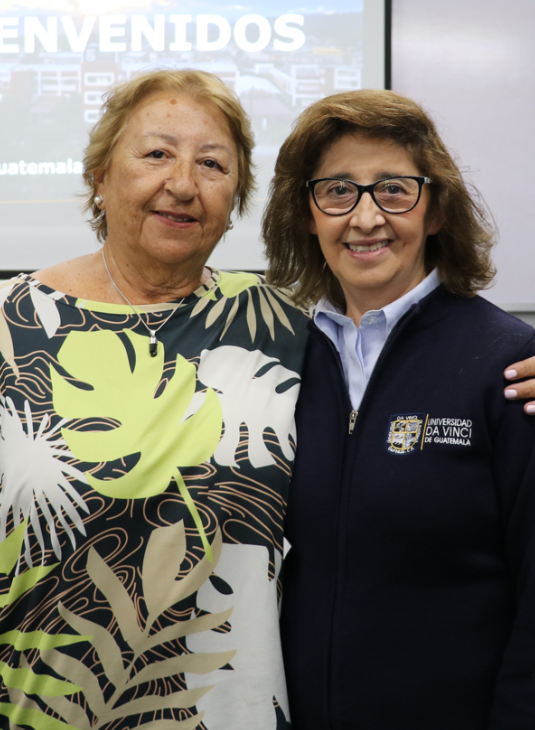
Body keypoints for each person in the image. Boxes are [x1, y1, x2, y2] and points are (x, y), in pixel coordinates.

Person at [0, 69, 309, 730]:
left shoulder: (280, 331)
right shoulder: (2, 326)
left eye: (213, 164)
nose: (184, 184)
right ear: (101, 178)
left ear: (235, 198)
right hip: (18, 710)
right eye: (157, 153)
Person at [264, 89, 535, 729]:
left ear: (435, 209)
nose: (364, 218)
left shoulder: (511, 365)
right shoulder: (279, 367)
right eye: (337, 191)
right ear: (307, 212)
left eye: (393, 190)